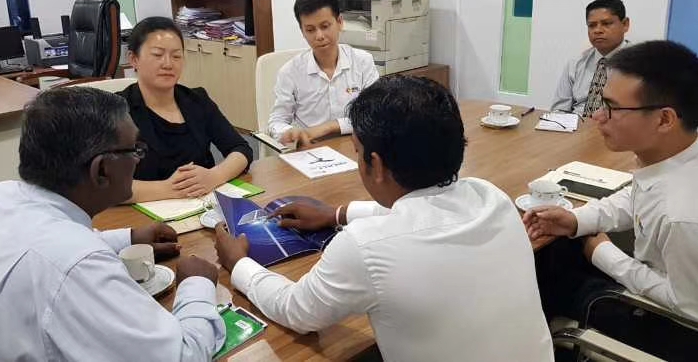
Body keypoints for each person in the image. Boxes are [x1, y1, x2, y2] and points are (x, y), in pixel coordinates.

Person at [219, 76, 554, 361]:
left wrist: (239, 265)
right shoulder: (491, 197)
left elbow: (296, 311)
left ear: (376, 165)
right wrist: (337, 213)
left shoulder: (363, 247)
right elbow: (422, 215)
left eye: (357, 152)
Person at [0, 87, 225, 360]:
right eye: (135, 149)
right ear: (102, 170)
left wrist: (129, 238)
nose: (138, 159)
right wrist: (196, 283)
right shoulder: (77, 266)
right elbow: (181, 355)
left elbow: (49, 245)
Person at [527, 41, 698, 360]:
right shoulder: (695, 144)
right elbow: (640, 194)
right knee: (561, 246)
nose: (598, 116)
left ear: (664, 119)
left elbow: (695, 309)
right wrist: (578, 219)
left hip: (683, 329)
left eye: (612, 107)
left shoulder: (687, 215)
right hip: (677, 281)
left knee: (543, 276)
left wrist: (603, 253)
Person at [118, 17, 253, 203]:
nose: (168, 64)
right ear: (134, 59)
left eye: (176, 56)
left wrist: (215, 176)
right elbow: (103, 183)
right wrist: (169, 189)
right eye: (157, 55)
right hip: (141, 213)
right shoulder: (116, 111)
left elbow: (241, 149)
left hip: (202, 206)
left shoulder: (197, 100)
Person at [267, 0, 380, 147]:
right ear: (302, 31)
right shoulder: (290, 72)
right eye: (310, 30)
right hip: (310, 148)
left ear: (339, 22)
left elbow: (374, 114)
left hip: (355, 146)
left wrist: (329, 127)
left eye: (325, 26)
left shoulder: (362, 62)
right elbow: (276, 121)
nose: (319, 36)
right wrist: (288, 131)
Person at [551, 0, 630, 117]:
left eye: (606, 24)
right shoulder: (575, 64)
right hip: (575, 125)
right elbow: (559, 111)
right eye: (592, 25)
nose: (597, 30)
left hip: (617, 126)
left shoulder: (641, 66)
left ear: (625, 24)